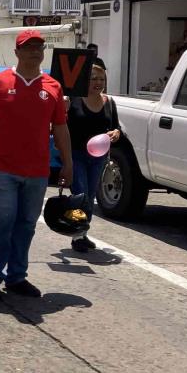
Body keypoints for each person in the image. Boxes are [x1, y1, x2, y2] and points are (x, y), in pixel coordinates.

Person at [0, 30, 73, 301]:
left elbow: (60, 127)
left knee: (26, 224)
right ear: (17, 52)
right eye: (28, 47)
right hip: (1, 166)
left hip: (37, 169)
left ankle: (16, 277)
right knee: (3, 219)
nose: (34, 52)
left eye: (39, 47)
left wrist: (67, 163)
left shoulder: (53, 87)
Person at [67, 63, 121, 253]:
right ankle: (77, 235)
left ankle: (82, 232)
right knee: (80, 194)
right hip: (77, 155)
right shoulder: (73, 100)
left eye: (102, 79)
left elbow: (115, 127)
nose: (98, 83)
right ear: (84, 80)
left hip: (98, 158)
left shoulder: (109, 102)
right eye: (93, 79)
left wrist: (115, 133)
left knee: (90, 196)